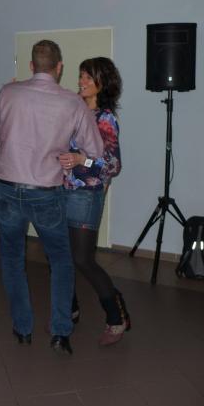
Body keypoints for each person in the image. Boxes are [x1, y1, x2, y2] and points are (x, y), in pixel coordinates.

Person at [0, 40, 103, 355]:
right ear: (59, 67)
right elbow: (95, 151)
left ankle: (23, 329)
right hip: (46, 194)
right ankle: (61, 333)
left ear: (31, 66)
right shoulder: (73, 102)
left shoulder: (8, 92)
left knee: (12, 259)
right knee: (61, 261)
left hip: (7, 189)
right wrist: (75, 155)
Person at [56, 57, 129, 346]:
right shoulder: (74, 110)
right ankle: (69, 311)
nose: (81, 81)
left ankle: (116, 316)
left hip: (86, 195)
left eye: (88, 77)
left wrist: (81, 159)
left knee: (83, 260)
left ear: (103, 83)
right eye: (81, 75)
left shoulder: (105, 119)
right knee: (58, 256)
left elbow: (113, 165)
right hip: (60, 190)